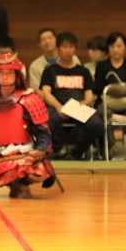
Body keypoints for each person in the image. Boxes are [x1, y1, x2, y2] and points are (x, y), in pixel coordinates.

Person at [0, 54, 54, 200]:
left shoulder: (30, 99)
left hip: (24, 154)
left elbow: (44, 133)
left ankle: (21, 184)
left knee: (30, 170)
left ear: (17, 75)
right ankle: (8, 182)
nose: (5, 76)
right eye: (1, 72)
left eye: (10, 72)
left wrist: (40, 151)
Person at [39, 32, 104, 160]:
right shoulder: (50, 70)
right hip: (58, 107)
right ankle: (59, 148)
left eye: (71, 47)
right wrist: (59, 107)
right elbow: (46, 92)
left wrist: (83, 103)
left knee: (96, 123)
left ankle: (78, 149)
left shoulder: (83, 71)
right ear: (58, 49)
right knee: (46, 120)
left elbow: (89, 94)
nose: (68, 50)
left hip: (78, 107)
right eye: (64, 47)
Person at [93, 32, 126, 156]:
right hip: (108, 104)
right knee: (102, 112)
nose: (116, 50)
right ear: (108, 48)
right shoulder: (102, 67)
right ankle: (110, 147)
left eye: (119, 46)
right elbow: (98, 89)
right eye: (113, 46)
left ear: (125, 47)